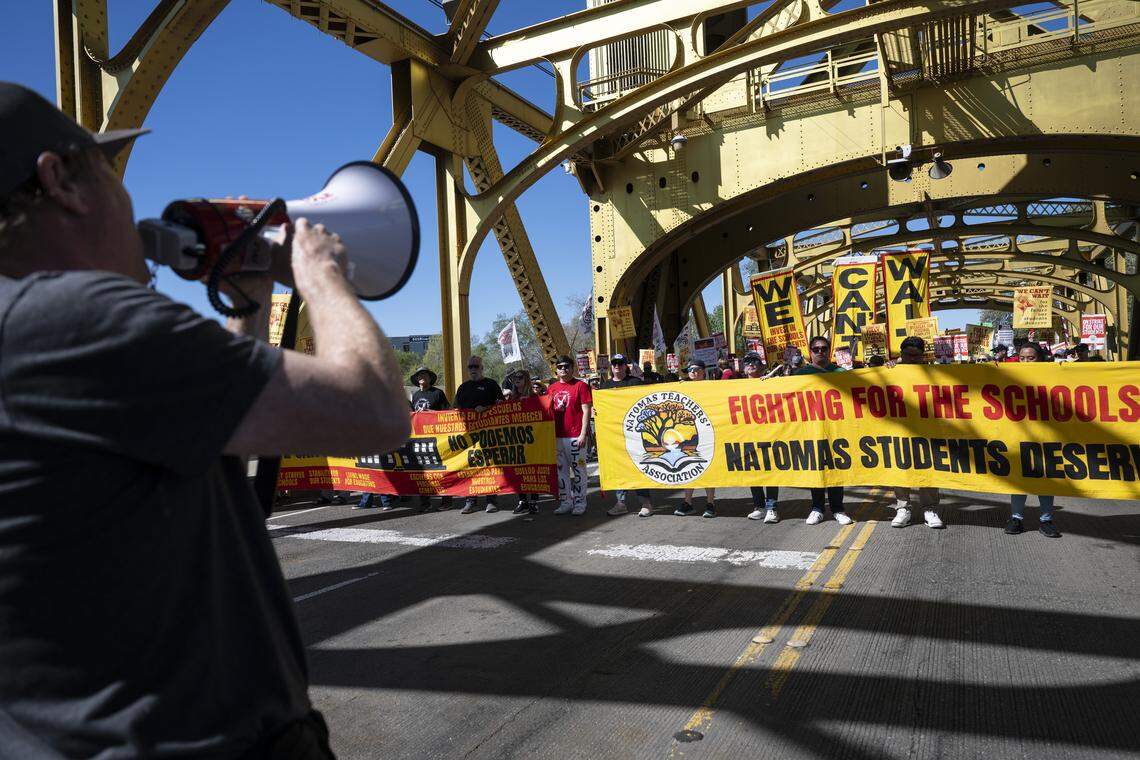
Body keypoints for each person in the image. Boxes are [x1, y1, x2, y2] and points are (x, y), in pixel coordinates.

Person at [0, 83, 413, 757]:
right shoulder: (71, 318)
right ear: (60, 181)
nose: (126, 198)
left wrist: (246, 305)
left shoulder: (29, 334)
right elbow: (375, 410)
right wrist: (322, 275)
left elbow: (224, 428)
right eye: (107, 171)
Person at [794, 337, 854, 525]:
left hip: (836, 429)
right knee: (816, 468)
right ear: (810, 351)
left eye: (823, 348)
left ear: (829, 350)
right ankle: (817, 508)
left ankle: (838, 509)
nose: (820, 351)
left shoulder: (840, 372)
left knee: (836, 468)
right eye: (816, 349)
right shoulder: (801, 374)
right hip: (811, 428)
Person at [1006, 343, 1062, 538]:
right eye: (1022, 358)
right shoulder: (1009, 376)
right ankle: (1016, 518)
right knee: (1019, 478)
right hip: (1019, 433)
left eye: (1031, 357)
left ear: (1041, 358)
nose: (1026, 361)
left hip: (1045, 434)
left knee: (1045, 477)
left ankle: (1046, 520)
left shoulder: (1053, 375)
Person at [890, 337, 945, 529]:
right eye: (908, 355)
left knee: (929, 467)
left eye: (916, 356)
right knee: (900, 466)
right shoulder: (891, 372)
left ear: (923, 356)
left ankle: (929, 509)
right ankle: (903, 508)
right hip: (900, 428)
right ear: (901, 354)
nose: (912, 359)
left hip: (927, 429)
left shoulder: (934, 373)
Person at [600, 355, 655, 517]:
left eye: (621, 363)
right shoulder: (606, 386)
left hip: (634, 434)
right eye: (615, 363)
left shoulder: (635, 382)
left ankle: (646, 503)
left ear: (626, 366)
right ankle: (620, 503)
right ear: (611, 366)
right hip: (614, 434)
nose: (617, 366)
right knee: (618, 468)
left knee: (638, 467)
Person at [455, 355, 503, 514]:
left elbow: (502, 406)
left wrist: (487, 408)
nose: (473, 369)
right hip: (469, 436)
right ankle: (470, 501)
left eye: (476, 366)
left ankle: (491, 500)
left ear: (482, 368)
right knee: (469, 466)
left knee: (489, 466)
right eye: (470, 367)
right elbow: (455, 409)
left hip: (489, 433)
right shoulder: (463, 387)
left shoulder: (491, 384)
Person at [548, 355, 593, 515]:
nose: (563, 369)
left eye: (566, 366)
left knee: (579, 470)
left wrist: (583, 434)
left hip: (575, 436)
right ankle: (566, 501)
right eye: (560, 367)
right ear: (556, 370)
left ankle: (580, 503)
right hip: (557, 436)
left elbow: (586, 410)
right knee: (561, 471)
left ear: (572, 368)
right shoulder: (552, 388)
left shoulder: (580, 385)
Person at [739, 353, 780, 523]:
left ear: (761, 365)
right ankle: (759, 506)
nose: (751, 364)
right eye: (747, 362)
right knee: (752, 471)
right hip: (748, 434)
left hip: (768, 433)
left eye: (755, 361)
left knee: (770, 471)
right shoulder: (736, 385)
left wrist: (774, 382)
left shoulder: (770, 382)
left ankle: (772, 508)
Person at [676, 360, 717, 518]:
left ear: (703, 371)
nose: (692, 372)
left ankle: (710, 503)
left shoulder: (710, 387)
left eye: (695, 369)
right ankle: (688, 502)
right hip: (689, 434)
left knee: (708, 468)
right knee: (688, 467)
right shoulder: (684, 387)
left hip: (707, 432)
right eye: (689, 370)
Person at [503, 369, 540, 514]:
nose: (516, 380)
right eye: (513, 378)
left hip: (532, 438)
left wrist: (530, 403)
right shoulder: (511, 397)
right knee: (518, 472)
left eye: (519, 377)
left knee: (533, 470)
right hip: (516, 439)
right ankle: (522, 500)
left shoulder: (533, 395)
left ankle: (534, 501)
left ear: (526, 379)